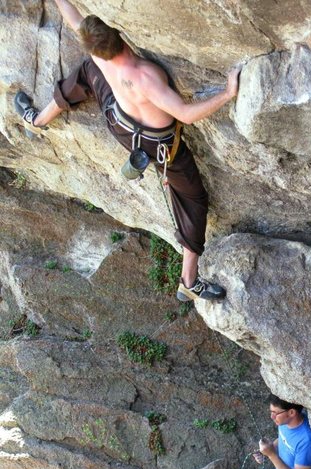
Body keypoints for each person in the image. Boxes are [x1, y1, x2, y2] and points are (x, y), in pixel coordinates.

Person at [14, 0, 240, 302]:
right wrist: (228, 93)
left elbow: (75, 21)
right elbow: (185, 114)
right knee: (193, 199)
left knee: (87, 70)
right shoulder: (145, 75)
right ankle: (189, 280)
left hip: (120, 124)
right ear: (119, 31)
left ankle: (38, 119)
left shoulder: (99, 56)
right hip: (162, 148)